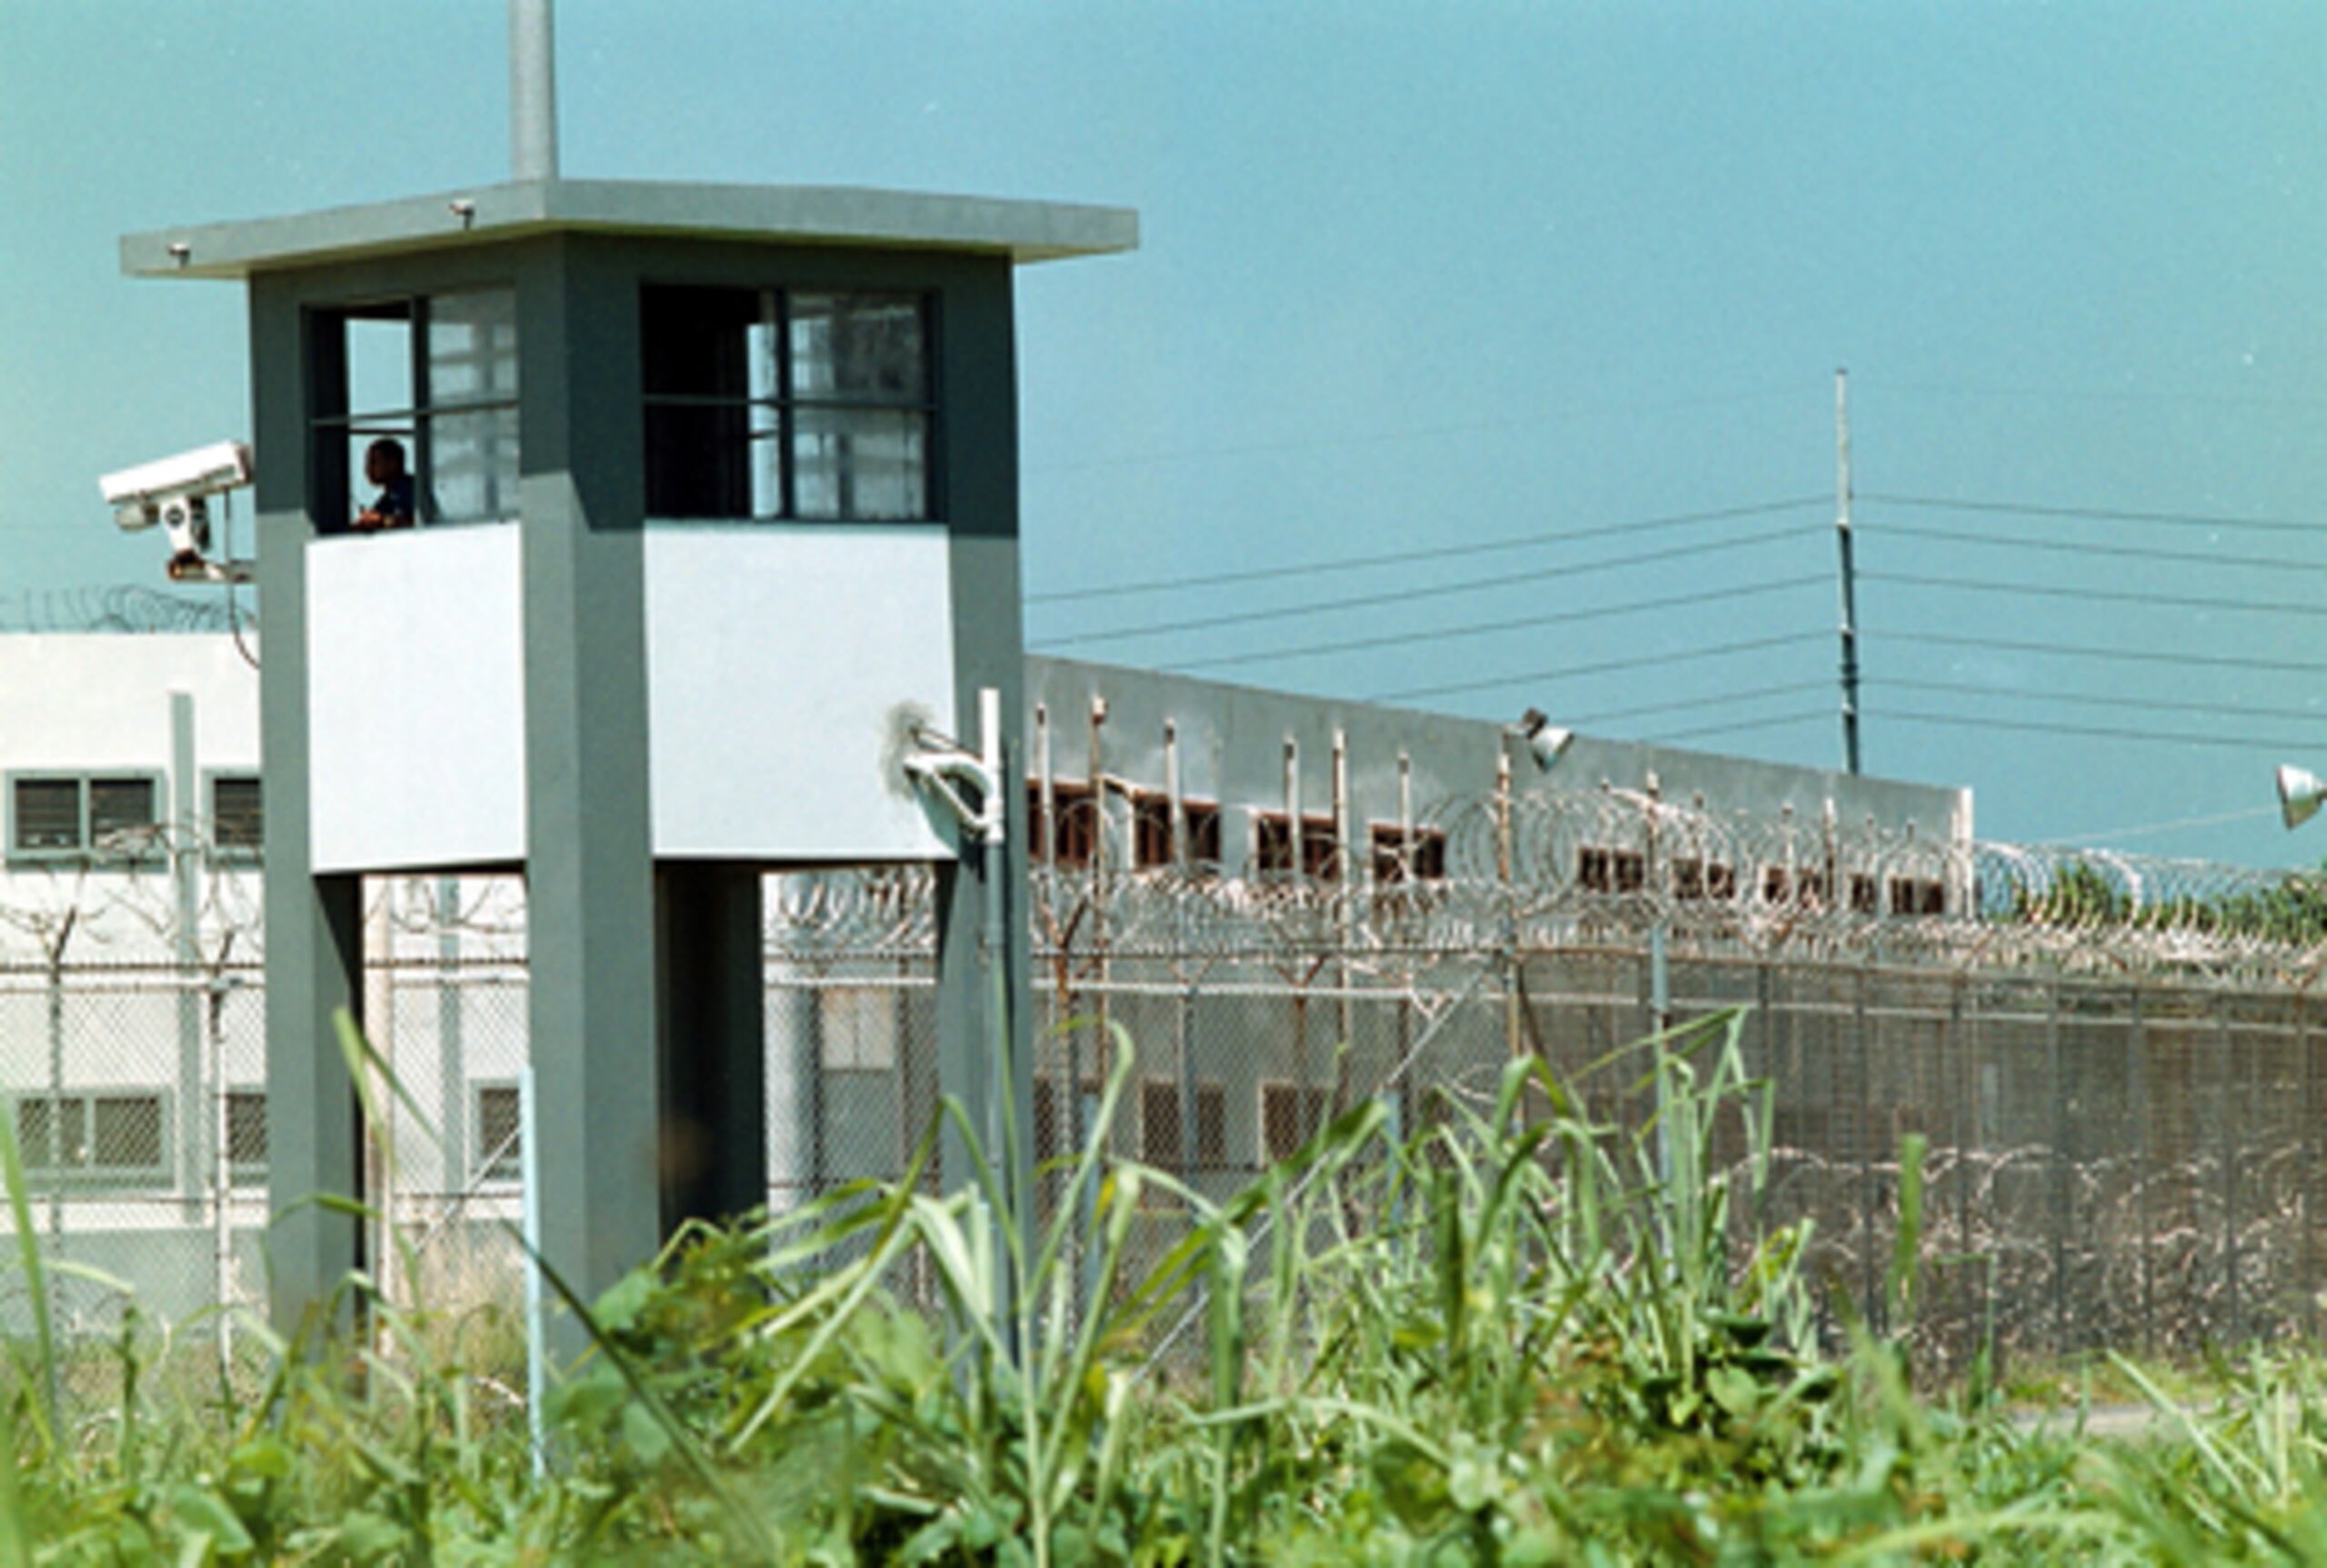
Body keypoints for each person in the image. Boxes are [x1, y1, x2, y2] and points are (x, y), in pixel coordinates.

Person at [353, 437, 417, 530]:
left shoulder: (412, 491)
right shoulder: (386, 500)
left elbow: (422, 525)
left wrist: (383, 521)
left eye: (373, 462)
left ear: (392, 463)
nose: (368, 469)